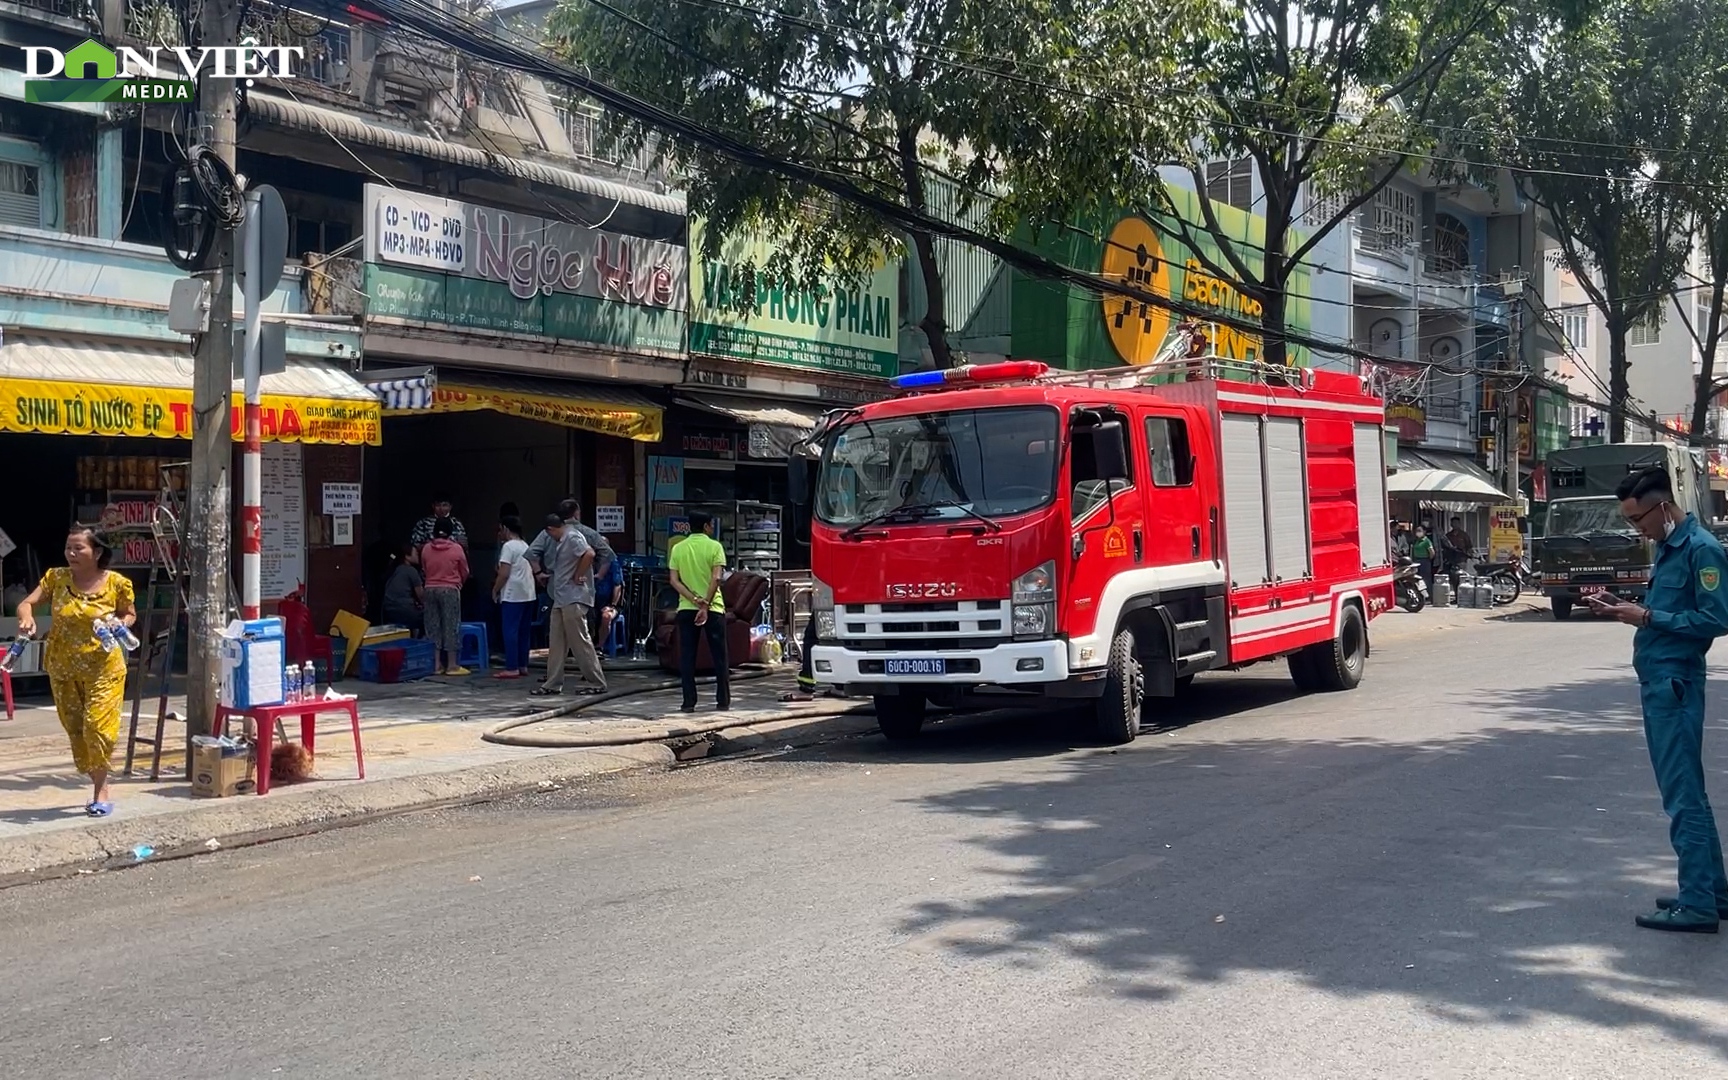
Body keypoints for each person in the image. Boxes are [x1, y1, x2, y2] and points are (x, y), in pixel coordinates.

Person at [1595, 468, 1728, 932]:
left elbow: (1715, 619)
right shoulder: (1669, 548)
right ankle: (1712, 891)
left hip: (1675, 683)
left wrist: (1647, 616)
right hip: (1662, 681)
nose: (1638, 529)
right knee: (1690, 792)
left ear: (1663, 507)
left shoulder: (1701, 550)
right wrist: (1626, 608)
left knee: (1682, 797)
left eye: (1639, 520)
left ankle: (1697, 906)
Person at [15, 525, 136, 817]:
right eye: (68, 547)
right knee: (77, 729)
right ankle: (95, 774)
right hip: (62, 666)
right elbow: (26, 603)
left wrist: (119, 624)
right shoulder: (56, 578)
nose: (71, 553)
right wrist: (27, 618)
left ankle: (101, 790)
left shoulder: (117, 583)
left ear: (97, 552)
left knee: (98, 727)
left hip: (103, 666)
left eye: (78, 548)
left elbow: (129, 613)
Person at [531, 513, 607, 697]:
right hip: (561, 597)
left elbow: (589, 553)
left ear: (551, 529)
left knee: (580, 640)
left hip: (574, 597)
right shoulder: (563, 539)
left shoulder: (572, 537)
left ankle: (596, 681)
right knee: (556, 642)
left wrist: (579, 574)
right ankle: (553, 683)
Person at [668, 511, 731, 713]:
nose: (712, 528)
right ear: (706, 526)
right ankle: (723, 701)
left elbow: (674, 581)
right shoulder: (715, 547)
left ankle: (688, 702)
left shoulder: (678, 548)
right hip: (714, 608)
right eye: (711, 525)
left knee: (687, 656)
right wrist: (704, 604)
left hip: (686, 608)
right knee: (720, 656)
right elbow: (717, 579)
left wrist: (693, 599)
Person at [420, 517, 471, 676]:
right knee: (451, 625)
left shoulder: (427, 549)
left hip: (429, 589)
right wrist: (458, 584)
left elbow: (424, 568)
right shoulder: (457, 549)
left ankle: (436, 665)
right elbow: (465, 571)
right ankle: (452, 665)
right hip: (450, 589)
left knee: (433, 626)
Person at [527, 497, 614, 584]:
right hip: (581, 580)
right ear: (576, 513)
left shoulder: (548, 532)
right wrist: (599, 575)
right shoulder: (589, 533)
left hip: (554, 579)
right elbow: (607, 553)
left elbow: (531, 552)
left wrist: (538, 573)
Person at [492, 515, 536, 679]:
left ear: (505, 528)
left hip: (513, 594)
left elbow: (504, 573)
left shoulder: (508, 547)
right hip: (528, 592)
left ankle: (511, 666)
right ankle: (522, 664)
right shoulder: (525, 545)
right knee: (524, 631)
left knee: (510, 630)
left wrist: (495, 589)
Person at [379, 545, 424, 633]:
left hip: (389, 610)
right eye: (416, 553)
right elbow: (421, 596)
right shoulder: (411, 571)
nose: (418, 556)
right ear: (407, 556)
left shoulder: (393, 570)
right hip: (405, 611)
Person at [592, 546, 624, 657]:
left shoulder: (613, 563)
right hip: (592, 601)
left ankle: (599, 647)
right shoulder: (590, 561)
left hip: (610, 603)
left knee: (606, 616)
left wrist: (612, 605)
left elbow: (617, 586)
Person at [1442, 515, 1473, 602]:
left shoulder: (1464, 535)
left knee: (1462, 579)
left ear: (1459, 524)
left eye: (1457, 523)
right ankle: (1456, 597)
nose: (1455, 525)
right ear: (1451, 524)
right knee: (1454, 580)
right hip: (1452, 561)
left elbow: (1469, 547)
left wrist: (1469, 555)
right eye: (1453, 523)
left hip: (1461, 560)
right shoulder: (1448, 536)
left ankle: (1463, 597)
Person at [1411, 525, 1437, 600]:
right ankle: (1421, 596)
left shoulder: (1426, 541)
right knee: (1418, 579)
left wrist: (1428, 559)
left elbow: (1432, 552)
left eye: (1420, 531)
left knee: (1426, 579)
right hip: (1416, 561)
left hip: (1424, 561)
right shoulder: (1416, 541)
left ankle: (1430, 597)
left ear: (1424, 532)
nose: (1418, 533)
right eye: (1417, 531)